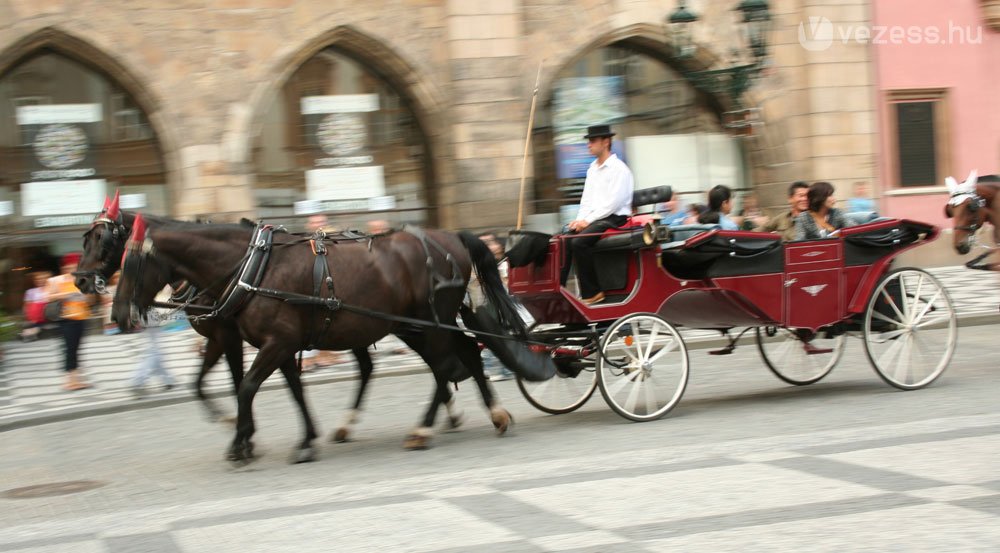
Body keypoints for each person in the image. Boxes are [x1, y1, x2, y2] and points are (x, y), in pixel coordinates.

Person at [564, 124, 634, 305]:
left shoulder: (619, 169)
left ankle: (593, 292)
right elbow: (586, 200)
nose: (589, 144)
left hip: (615, 218)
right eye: (589, 141)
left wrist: (587, 221)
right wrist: (579, 220)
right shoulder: (592, 169)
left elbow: (613, 204)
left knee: (579, 242)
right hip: (597, 218)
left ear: (606, 142)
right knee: (564, 238)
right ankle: (560, 290)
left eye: (593, 141)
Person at [300, 213, 342, 371]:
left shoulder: (329, 239)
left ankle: (327, 354)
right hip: (312, 288)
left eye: (321, 222)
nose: (318, 225)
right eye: (315, 222)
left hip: (329, 286)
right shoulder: (306, 242)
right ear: (309, 225)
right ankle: (308, 359)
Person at [45, 253, 92, 391]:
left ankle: (76, 380)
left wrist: (84, 296)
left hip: (81, 317)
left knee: (76, 349)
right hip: (66, 319)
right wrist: (66, 295)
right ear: (65, 266)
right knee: (70, 349)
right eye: (71, 265)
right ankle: (69, 382)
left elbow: (90, 299)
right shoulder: (56, 280)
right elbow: (48, 296)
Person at [476, 231, 515, 381]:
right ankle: (489, 367)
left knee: (498, 335)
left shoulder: (505, 264)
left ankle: (504, 369)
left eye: (489, 243)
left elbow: (508, 287)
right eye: (482, 245)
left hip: (507, 307)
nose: (486, 248)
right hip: (490, 307)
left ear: (499, 246)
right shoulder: (482, 266)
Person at [131, 285, 176, 398]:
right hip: (150, 311)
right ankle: (138, 381)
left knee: (155, 348)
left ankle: (167, 380)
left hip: (147, 312)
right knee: (156, 353)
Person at [21, 271, 51, 342]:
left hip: (48, 313)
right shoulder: (30, 291)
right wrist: (26, 315)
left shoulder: (51, 289)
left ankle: (29, 332)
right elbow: (27, 305)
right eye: (38, 279)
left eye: (43, 278)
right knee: (34, 322)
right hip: (35, 315)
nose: (40, 280)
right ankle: (30, 332)